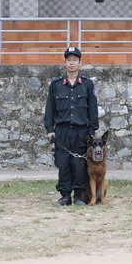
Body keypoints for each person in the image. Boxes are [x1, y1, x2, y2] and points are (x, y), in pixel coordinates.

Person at [44, 46, 99, 206]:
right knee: (64, 164)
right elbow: (50, 109)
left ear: (80, 63)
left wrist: (91, 132)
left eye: (75, 60)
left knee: (79, 164)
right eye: (69, 60)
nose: (72, 63)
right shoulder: (56, 85)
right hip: (62, 131)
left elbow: (93, 110)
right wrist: (50, 129)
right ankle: (65, 195)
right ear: (65, 63)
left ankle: (79, 196)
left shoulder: (87, 85)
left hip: (81, 132)